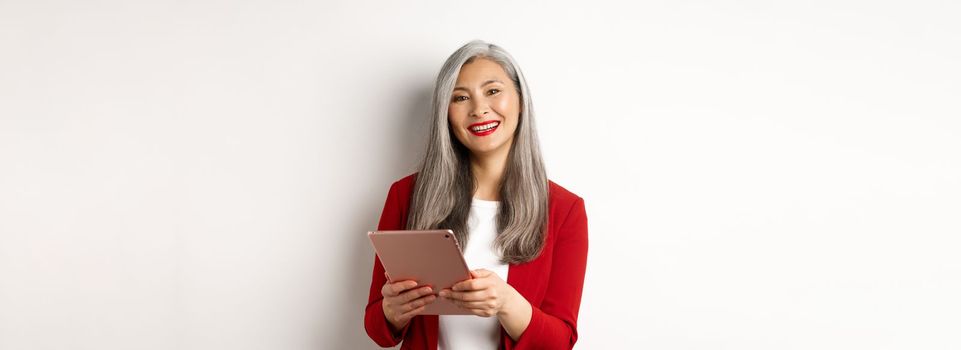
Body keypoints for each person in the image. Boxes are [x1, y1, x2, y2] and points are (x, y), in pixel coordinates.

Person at [363, 39, 589, 350]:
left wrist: (507, 303)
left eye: (493, 91)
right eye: (460, 97)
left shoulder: (565, 209)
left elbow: (560, 342)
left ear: (521, 101)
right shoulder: (406, 195)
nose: (479, 109)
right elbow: (377, 328)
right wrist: (392, 311)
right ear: (446, 113)